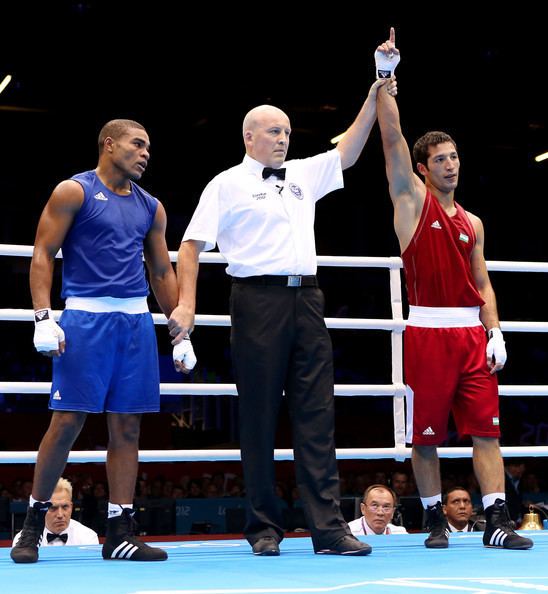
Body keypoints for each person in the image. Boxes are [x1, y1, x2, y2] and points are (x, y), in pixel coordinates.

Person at [168, 77, 397, 555]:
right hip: (256, 302)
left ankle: (329, 529)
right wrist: (185, 302)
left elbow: (350, 149)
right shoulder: (226, 183)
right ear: (249, 136)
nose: (283, 138)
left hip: (308, 300)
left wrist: (376, 92)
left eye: (287, 131)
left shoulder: (301, 175)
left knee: (317, 414)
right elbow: (190, 245)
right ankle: (264, 528)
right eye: (274, 131)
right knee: (257, 416)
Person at [375, 28, 533, 551]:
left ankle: (497, 520)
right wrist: (385, 78)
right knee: (427, 437)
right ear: (423, 169)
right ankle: (433, 519)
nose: (451, 164)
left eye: (455, 156)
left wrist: (496, 331)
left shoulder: (474, 223)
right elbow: (393, 141)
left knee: (488, 431)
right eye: (441, 159)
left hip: (471, 335)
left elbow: (483, 281)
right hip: (426, 331)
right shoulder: (410, 204)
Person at [11, 119, 195, 564]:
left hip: (134, 323)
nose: (145, 153)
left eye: (149, 146)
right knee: (68, 421)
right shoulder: (74, 191)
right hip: (86, 318)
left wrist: (179, 330)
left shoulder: (152, 207)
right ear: (108, 144)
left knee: (128, 426)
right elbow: (42, 253)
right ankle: (31, 527)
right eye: (137, 144)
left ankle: (119, 532)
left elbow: (161, 271)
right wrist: (42, 317)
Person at [13, 478, 99, 547]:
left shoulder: (88, 537)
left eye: (65, 507)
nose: (60, 515)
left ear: (71, 507)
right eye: (53, 508)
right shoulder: (23, 541)